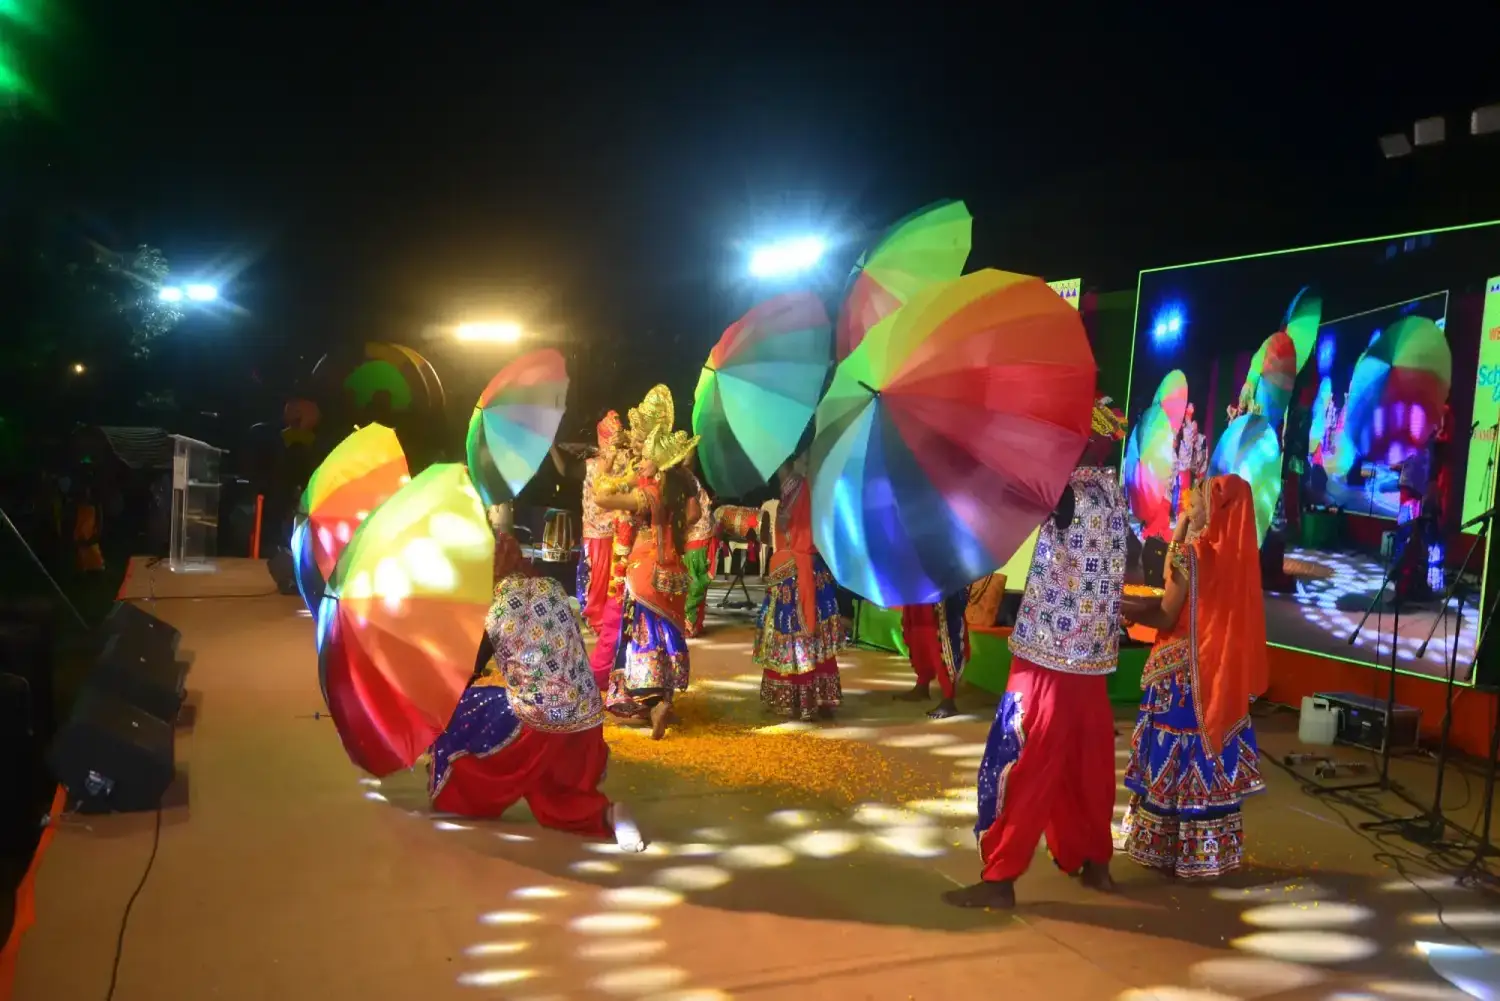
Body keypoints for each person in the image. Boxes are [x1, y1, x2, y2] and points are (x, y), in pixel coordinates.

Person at [946, 398, 1129, 910]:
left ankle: (1000, 877)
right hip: (1091, 662)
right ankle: (1095, 862)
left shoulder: (1065, 495)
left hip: (1047, 659)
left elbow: (1009, 484)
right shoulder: (1115, 496)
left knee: (1019, 760)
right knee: (1087, 766)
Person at [428, 507, 644, 851]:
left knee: (461, 709)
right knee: (551, 795)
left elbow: (464, 674)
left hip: (540, 724)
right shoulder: (552, 587)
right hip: (584, 721)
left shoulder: (494, 607)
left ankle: (459, 796)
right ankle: (608, 816)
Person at [1117, 474, 1267, 880]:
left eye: (1198, 500)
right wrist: (1183, 526)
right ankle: (1206, 853)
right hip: (1217, 676)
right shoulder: (1236, 559)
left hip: (1179, 677)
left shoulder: (1195, 554)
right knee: (1203, 755)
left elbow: (1166, 612)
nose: (1190, 503)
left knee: (1174, 756)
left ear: (1215, 510)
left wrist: (1120, 604)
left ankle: (1165, 848)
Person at [595, 385, 702, 739]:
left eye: (644, 457)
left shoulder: (646, 496)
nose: (639, 460)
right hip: (674, 571)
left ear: (656, 464)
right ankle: (665, 697)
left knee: (642, 634)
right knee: (668, 633)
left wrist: (606, 468)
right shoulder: (679, 490)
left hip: (644, 571)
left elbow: (602, 500)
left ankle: (645, 700)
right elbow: (695, 512)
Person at [753, 455, 844, 719]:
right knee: (810, 633)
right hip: (808, 567)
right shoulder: (805, 487)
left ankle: (799, 700)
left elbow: (785, 526)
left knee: (794, 632)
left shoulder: (795, 489)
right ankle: (816, 696)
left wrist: (776, 519)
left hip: (793, 569)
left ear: (785, 464)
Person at [565, 412, 626, 634]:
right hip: (613, 529)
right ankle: (608, 618)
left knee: (601, 578)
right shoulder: (627, 462)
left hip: (604, 531)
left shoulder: (592, 464)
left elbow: (564, 471)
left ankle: (598, 618)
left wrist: (553, 449)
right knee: (610, 576)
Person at [895, 590, 970, 719]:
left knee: (943, 635)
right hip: (918, 580)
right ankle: (922, 685)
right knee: (917, 631)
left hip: (943, 584)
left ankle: (948, 698)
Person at [683, 463, 714, 637]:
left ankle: (690, 624)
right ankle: (693, 622)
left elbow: (692, 515)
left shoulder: (687, 480)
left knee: (693, 582)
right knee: (692, 580)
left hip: (697, 536)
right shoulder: (687, 477)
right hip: (694, 536)